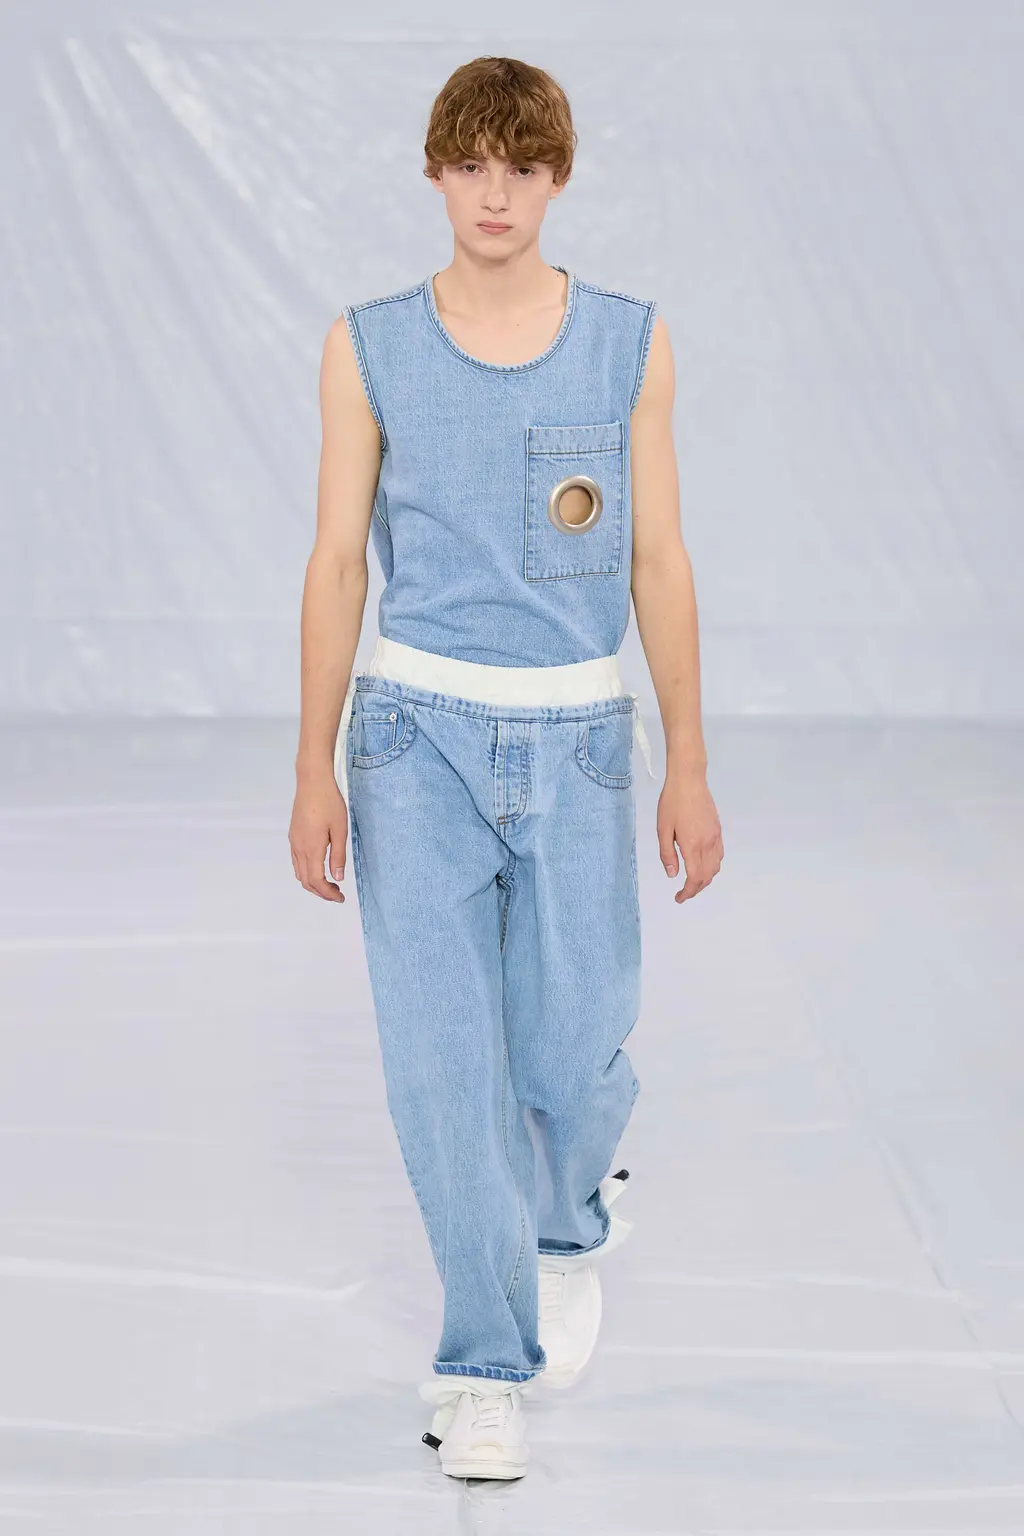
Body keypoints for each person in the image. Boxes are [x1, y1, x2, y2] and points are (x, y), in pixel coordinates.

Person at [288, 55, 723, 1482]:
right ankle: (482, 1365)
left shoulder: (628, 343)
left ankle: (568, 1217)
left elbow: (658, 561)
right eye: (471, 165)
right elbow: (338, 562)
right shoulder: (368, 347)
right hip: (413, 739)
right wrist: (313, 766)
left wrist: (688, 764)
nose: (495, 193)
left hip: (580, 740)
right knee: (443, 1067)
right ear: (435, 174)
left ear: (558, 178)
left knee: (569, 1042)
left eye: (522, 168)